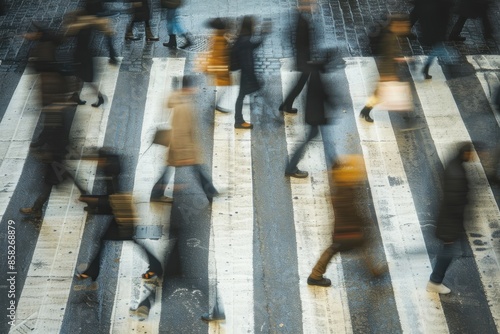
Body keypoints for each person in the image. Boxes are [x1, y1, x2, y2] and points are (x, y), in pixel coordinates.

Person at [307, 155, 385, 287]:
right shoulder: (347, 191)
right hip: (347, 229)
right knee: (339, 247)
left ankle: (373, 270)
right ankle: (315, 275)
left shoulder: (340, 184)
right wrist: (362, 222)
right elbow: (352, 211)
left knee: (360, 245)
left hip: (344, 228)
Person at [150, 75, 218, 203]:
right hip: (182, 147)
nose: (196, 89)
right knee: (197, 167)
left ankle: (156, 193)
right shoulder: (184, 106)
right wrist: (185, 153)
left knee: (171, 168)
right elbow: (181, 132)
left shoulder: (180, 100)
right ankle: (210, 192)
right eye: (194, 87)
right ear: (189, 88)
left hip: (178, 145)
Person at [427, 142, 473, 294]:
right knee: (448, 251)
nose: (472, 157)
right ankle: (435, 281)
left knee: (449, 250)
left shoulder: (454, 166)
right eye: (470, 153)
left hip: (450, 219)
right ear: (465, 153)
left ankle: (435, 280)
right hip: (450, 221)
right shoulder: (457, 173)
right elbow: (455, 201)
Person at [359, 14, 410, 123]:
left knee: (380, 94)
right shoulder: (390, 38)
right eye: (403, 25)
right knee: (383, 94)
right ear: (396, 25)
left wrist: (400, 59)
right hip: (387, 71)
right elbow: (388, 56)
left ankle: (365, 111)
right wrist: (388, 75)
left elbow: (392, 54)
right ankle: (366, 110)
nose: (406, 28)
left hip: (389, 70)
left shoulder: (392, 35)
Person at [285, 61, 328, 178]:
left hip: (313, 115)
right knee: (309, 139)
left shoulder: (314, 74)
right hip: (314, 116)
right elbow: (321, 96)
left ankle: (291, 166)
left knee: (311, 137)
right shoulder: (316, 77)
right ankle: (291, 167)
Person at [279, 0, 314, 114]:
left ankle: (285, 104)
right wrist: (307, 60)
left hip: (302, 57)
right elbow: (301, 42)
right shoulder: (303, 21)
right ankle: (287, 105)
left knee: (300, 83)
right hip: (303, 58)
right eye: (310, 5)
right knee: (300, 84)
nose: (313, 7)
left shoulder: (301, 18)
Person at [231, 16, 266, 129]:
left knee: (241, 96)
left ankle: (238, 120)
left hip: (244, 74)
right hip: (246, 75)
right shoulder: (245, 40)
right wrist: (253, 78)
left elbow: (251, 47)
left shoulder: (243, 36)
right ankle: (238, 121)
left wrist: (262, 37)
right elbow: (247, 61)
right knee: (241, 96)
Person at [203, 17, 232, 113]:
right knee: (224, 85)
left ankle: (217, 103)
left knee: (225, 86)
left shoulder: (218, 36)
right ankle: (217, 104)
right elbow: (218, 55)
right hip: (220, 67)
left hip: (219, 66)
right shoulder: (219, 39)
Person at [420, 0, 453, 79]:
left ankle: (426, 68)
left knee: (437, 49)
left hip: (435, 30)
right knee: (440, 49)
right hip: (437, 30)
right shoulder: (442, 6)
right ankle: (451, 69)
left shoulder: (435, 5)